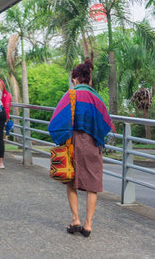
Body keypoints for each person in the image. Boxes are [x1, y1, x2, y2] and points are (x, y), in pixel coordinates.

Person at [48, 59, 114, 237]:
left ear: (75, 79)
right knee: (93, 185)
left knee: (71, 181)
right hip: (93, 143)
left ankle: (75, 219)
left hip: (72, 143)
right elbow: (106, 122)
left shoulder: (71, 94)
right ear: (88, 79)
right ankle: (88, 225)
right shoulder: (97, 97)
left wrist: (62, 138)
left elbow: (55, 123)